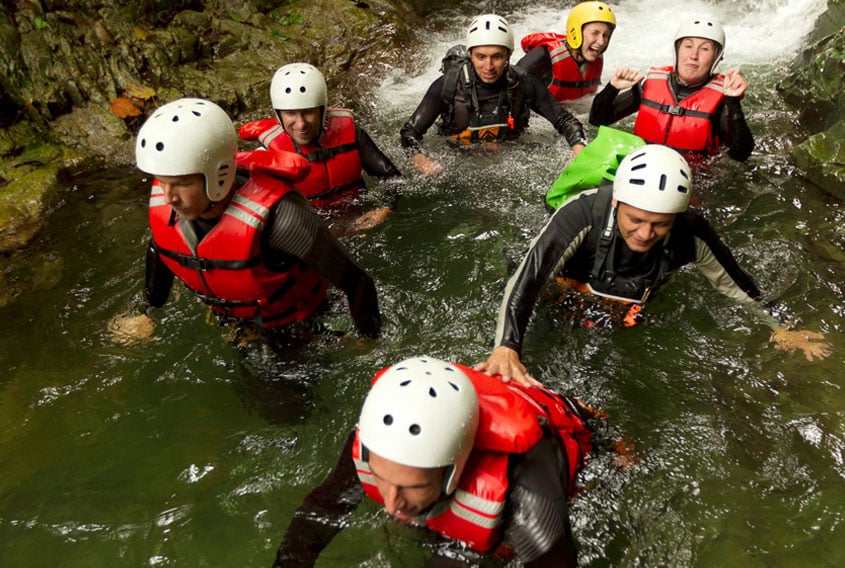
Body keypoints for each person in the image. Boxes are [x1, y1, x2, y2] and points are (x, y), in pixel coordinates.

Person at [476, 144, 831, 387]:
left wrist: (781, 325)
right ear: (617, 202)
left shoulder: (690, 230)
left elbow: (734, 283)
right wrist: (507, 346)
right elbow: (528, 278)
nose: (645, 233)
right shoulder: (581, 214)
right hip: (562, 288)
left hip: (625, 305)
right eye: (636, 219)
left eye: (660, 224)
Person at [272, 356, 594, 567]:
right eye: (381, 478)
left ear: (453, 471)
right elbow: (321, 512)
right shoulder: (379, 437)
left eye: (411, 487)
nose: (391, 504)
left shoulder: (530, 496)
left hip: (565, 441)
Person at [133, 97, 381, 340]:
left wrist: (367, 341)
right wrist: (147, 311)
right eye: (162, 182)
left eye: (181, 184)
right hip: (238, 319)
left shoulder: (282, 218)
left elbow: (357, 282)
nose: (168, 198)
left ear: (218, 175)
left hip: (299, 325)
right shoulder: (170, 203)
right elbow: (161, 248)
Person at [400, 13, 587, 176]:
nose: (488, 66)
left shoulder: (523, 83)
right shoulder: (447, 85)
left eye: (497, 57)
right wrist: (419, 159)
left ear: (509, 54)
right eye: (481, 57)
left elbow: (566, 121)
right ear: (470, 54)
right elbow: (409, 133)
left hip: (509, 154)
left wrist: (578, 148)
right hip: (458, 158)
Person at [238, 63, 403, 231]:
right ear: (279, 114)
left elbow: (395, 179)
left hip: (360, 221)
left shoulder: (351, 131)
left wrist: (384, 209)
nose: (301, 124)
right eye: (291, 114)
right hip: (309, 233)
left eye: (308, 112)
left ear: (322, 110)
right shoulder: (267, 152)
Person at [588, 17, 754, 162]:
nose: (693, 55)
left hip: (691, 179)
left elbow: (741, 154)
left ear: (717, 58)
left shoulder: (722, 99)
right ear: (677, 50)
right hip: (641, 167)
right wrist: (612, 89)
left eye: (704, 49)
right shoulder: (650, 84)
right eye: (688, 46)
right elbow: (597, 120)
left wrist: (733, 102)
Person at [516, 1, 616, 102]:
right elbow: (511, 88)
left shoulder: (594, 55)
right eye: (595, 33)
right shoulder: (544, 56)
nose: (601, 42)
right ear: (576, 32)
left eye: (605, 35)